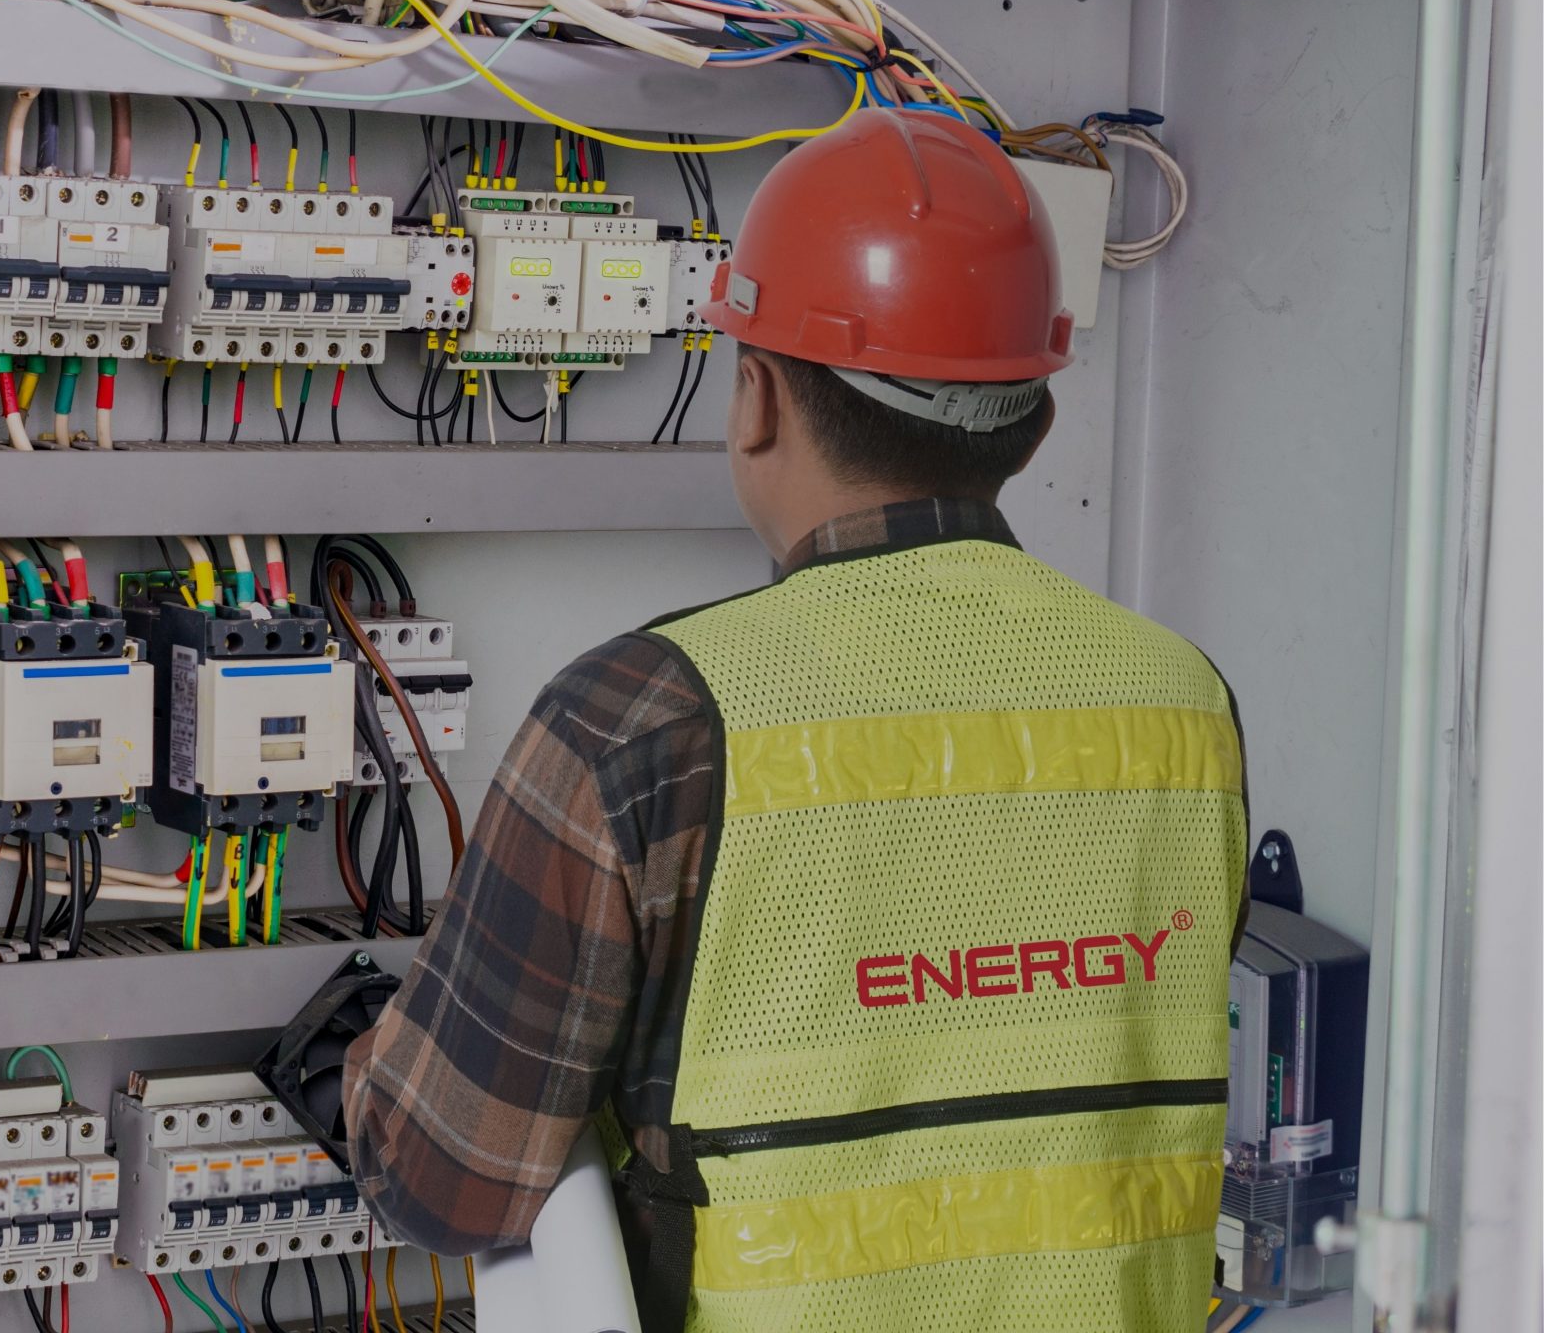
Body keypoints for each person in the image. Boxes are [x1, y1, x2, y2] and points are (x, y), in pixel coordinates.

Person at [342, 109, 1247, 1332]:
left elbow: (445, 1185)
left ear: (756, 398)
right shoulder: (1183, 703)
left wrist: (368, 1067)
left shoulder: (643, 719)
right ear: (1033, 419)